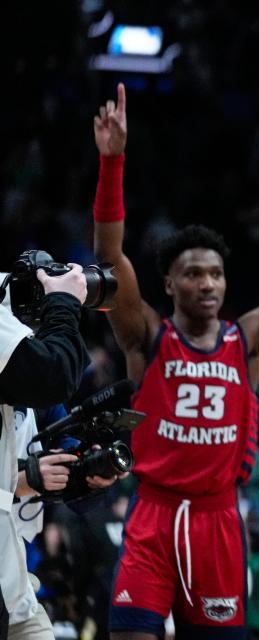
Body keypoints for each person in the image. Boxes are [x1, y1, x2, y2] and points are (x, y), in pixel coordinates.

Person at [88, 84, 259, 639]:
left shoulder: (251, 340)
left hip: (219, 520)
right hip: (152, 516)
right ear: (169, 282)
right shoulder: (146, 335)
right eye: (194, 273)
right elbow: (108, 259)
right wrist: (113, 162)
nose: (207, 283)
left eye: (215, 273)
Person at [0, 264, 90, 640]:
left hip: (13, 568)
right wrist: (65, 303)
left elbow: (61, 385)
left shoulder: (29, 387)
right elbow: (54, 375)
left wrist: (87, 470)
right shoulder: (31, 372)